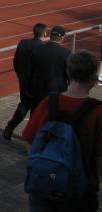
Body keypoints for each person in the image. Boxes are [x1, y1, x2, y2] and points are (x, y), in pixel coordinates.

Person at [22, 49, 102, 212]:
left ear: (68, 73)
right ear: (93, 78)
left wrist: (45, 165)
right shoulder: (98, 112)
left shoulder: (48, 102)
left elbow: (29, 138)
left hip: (44, 186)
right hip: (80, 192)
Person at [3, 23, 50, 141]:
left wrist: (20, 75)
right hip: (36, 85)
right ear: (45, 34)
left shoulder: (23, 43)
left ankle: (11, 127)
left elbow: (15, 61)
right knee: (36, 109)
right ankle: (30, 134)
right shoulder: (44, 49)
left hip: (24, 82)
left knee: (24, 105)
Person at [30, 26, 71, 107]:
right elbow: (69, 75)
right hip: (58, 91)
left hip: (39, 90)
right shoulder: (66, 53)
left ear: (50, 36)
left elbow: (32, 70)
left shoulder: (37, 50)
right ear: (62, 38)